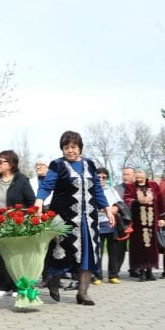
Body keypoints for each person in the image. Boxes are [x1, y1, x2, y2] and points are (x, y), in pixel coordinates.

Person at [35, 131, 115, 305]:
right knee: (62, 252)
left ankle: (83, 293)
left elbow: (97, 191)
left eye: (73, 147)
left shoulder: (90, 164)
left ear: (80, 148)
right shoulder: (57, 165)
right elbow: (47, 186)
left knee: (88, 253)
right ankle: (54, 282)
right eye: (66, 148)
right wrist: (39, 201)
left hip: (89, 220)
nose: (70, 151)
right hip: (65, 219)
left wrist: (107, 208)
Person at [0, 149, 35, 295]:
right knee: (1, 255)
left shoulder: (21, 180)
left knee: (16, 255)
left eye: (1, 162)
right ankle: (4, 285)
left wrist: (23, 218)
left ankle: (18, 285)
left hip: (16, 223)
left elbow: (31, 202)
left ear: (10, 164)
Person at [124, 169, 165, 282]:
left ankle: (150, 272)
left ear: (146, 174)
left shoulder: (153, 185)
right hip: (137, 223)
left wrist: (162, 218)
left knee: (151, 246)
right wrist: (137, 201)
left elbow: (160, 201)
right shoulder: (131, 186)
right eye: (137, 172)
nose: (138, 174)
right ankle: (141, 272)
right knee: (139, 247)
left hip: (152, 222)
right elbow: (127, 200)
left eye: (141, 172)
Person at [93, 167, 123, 284]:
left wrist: (115, 208)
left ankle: (113, 275)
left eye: (104, 177)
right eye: (98, 177)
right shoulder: (92, 191)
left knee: (113, 250)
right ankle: (97, 276)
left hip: (111, 224)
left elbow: (120, 203)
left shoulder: (112, 190)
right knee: (97, 251)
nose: (101, 179)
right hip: (97, 224)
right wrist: (104, 209)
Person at [112, 166, 135, 281]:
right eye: (124, 174)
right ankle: (115, 270)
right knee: (119, 248)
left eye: (128, 174)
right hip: (122, 223)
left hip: (137, 222)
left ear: (133, 175)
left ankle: (135, 269)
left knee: (136, 247)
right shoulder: (116, 189)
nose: (125, 176)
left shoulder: (138, 188)